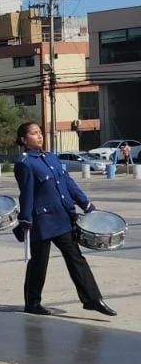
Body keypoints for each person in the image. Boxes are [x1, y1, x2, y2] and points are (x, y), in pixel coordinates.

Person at [13, 121, 116, 317]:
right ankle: (32, 303)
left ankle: (93, 300)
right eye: (34, 133)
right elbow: (26, 194)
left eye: (40, 132)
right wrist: (25, 219)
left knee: (76, 258)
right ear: (24, 140)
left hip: (62, 218)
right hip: (41, 221)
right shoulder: (24, 163)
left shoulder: (51, 157)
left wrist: (86, 204)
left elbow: (68, 183)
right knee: (38, 263)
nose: (40, 135)